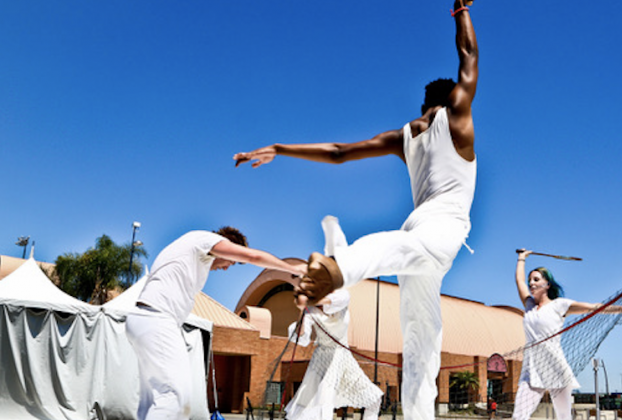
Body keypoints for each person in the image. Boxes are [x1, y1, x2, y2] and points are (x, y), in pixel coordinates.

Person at [233, 1, 479, 419]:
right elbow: (468, 56)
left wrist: (279, 148)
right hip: (443, 224)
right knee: (416, 308)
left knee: (421, 333)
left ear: (422, 105)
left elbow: (338, 152)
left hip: (416, 227)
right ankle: (336, 269)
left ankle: (418, 414)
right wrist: (463, 11)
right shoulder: (456, 113)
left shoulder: (405, 136)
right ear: (449, 99)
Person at [126, 227, 305, 420]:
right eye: (231, 261)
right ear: (227, 246)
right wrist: (294, 270)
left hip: (143, 319)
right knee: (175, 396)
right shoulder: (206, 239)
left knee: (151, 399)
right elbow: (253, 256)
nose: (227, 268)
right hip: (158, 318)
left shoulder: (192, 252)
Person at [513, 250, 622, 420]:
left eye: (536, 279)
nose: (531, 283)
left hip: (555, 368)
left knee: (564, 417)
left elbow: (593, 307)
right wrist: (522, 258)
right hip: (531, 369)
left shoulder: (559, 305)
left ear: (547, 284)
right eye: (530, 280)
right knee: (518, 416)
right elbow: (519, 281)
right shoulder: (529, 305)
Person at [284, 289, 383, 420]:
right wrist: (302, 310)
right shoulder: (311, 311)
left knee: (374, 398)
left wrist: (309, 300)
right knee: (322, 403)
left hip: (344, 357)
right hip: (323, 361)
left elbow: (337, 301)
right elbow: (302, 339)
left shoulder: (341, 295)